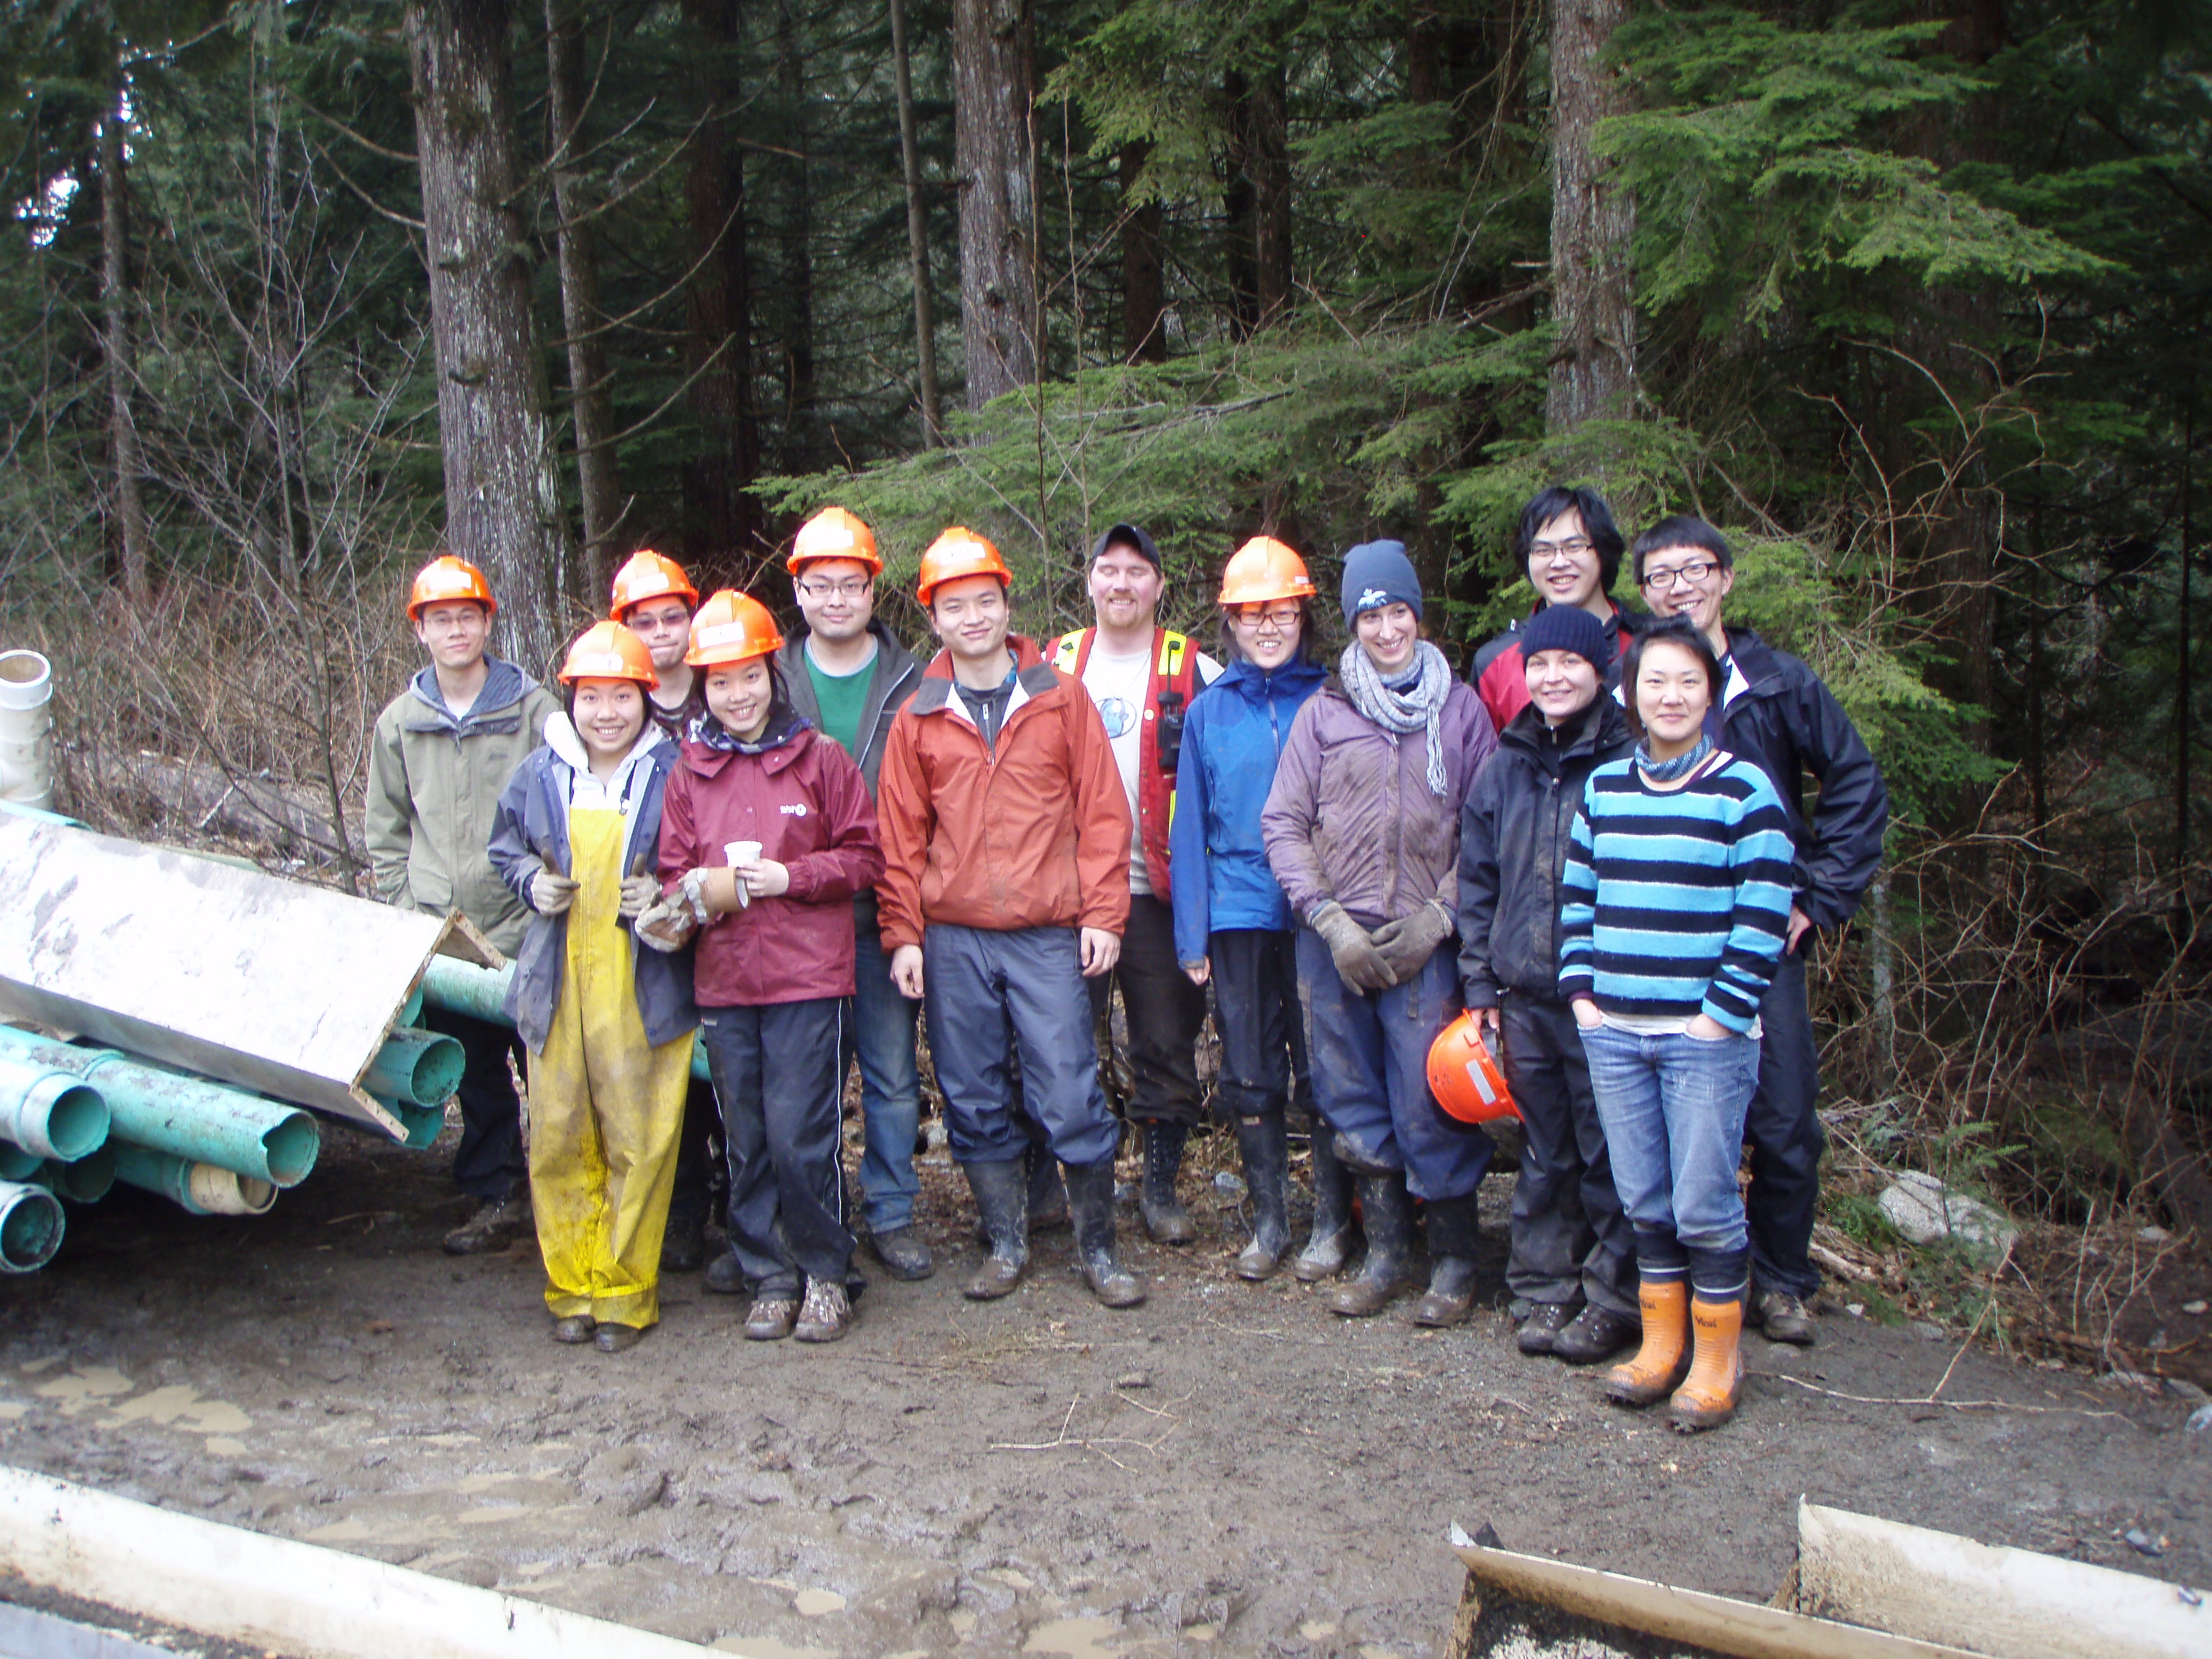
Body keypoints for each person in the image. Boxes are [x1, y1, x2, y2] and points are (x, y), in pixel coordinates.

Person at [1634, 516, 1889, 1347]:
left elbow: (1853, 783)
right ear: (1641, 594)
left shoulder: (1776, 684)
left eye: (1693, 570)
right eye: (1659, 576)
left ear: (1726, 578)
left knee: (1782, 1118)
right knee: (1664, 1121)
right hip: (1658, 942)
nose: (1678, 587)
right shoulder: (1630, 685)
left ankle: (1781, 1279)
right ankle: (1674, 1284)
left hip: (1762, 943)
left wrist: (1814, 896)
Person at [876, 528, 1145, 1309]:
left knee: (1068, 1089)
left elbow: (1103, 813)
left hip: (1045, 932)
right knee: (972, 1091)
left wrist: (1103, 915)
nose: (972, 618)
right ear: (932, 617)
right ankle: (1005, 1241)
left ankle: (1099, 1249)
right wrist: (903, 936)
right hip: (954, 937)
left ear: (1006, 604)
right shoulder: (918, 717)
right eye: (953, 605)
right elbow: (900, 840)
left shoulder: (1060, 698)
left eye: (984, 601)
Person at [1560, 617, 1796, 1431]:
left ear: (1710, 693)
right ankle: (1661, 1348)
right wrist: (1582, 997)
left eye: (1687, 682)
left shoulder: (1743, 790)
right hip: (1615, 1031)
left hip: (1705, 1039)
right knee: (1645, 1199)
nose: (1670, 696)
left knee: (1703, 1202)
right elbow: (1578, 898)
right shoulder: (1607, 788)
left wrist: (1719, 1018)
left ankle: (1718, 1359)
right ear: (1632, 693)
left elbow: (1764, 911)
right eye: (1655, 681)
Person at [1262, 540, 1498, 1323]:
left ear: (1418, 614)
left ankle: (1455, 1264)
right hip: (1337, 946)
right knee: (1351, 1095)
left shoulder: (1461, 713)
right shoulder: (1323, 714)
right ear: (1352, 621)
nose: (1388, 627)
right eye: (1371, 613)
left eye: (1398, 610)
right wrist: (1327, 920)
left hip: (1424, 945)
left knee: (1430, 1096)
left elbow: (1485, 831)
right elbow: (1285, 824)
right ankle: (1388, 1252)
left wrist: (1441, 917)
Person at [655, 590, 884, 1344]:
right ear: (703, 688)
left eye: (749, 676)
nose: (737, 694)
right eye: (719, 681)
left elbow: (864, 857)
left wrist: (795, 877)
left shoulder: (820, 759)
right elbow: (672, 874)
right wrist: (694, 893)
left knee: (801, 1134)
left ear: (771, 675)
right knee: (747, 1135)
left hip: (806, 979)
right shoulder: (691, 773)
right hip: (725, 981)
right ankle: (768, 1276)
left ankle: (826, 1274)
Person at [487, 621, 696, 1353]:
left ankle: (627, 1293)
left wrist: (666, 894)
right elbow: (503, 845)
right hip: (557, 977)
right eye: (592, 697)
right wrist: (530, 882)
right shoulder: (540, 773)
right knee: (557, 1135)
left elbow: (697, 858)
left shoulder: (676, 771)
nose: (606, 713)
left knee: (641, 1136)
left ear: (646, 699)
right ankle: (572, 1287)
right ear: (572, 698)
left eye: (621, 697)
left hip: (642, 983)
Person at [1455, 606, 1640, 1362]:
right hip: (1523, 993)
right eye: (1540, 664)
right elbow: (1477, 882)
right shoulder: (1506, 763)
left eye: (1570, 663)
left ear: (1600, 669)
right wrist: (1479, 987)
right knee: (1544, 1150)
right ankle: (1542, 1286)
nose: (1554, 677)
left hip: (1607, 998)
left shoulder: (1628, 759)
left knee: (1609, 1154)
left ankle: (1612, 1298)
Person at [367, 554, 561, 1256]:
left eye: (467, 617)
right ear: (420, 629)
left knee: (550, 1066)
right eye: (440, 619)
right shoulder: (400, 724)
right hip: (444, 934)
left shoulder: (533, 710)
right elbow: (386, 829)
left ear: (487, 622)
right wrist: (403, 908)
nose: (456, 631)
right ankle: (497, 1194)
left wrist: (553, 894)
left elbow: (567, 803)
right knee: (477, 1074)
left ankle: (564, 1195)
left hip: (526, 925)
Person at [1169, 536, 1336, 1281]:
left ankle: (1332, 1221)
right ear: (1230, 623)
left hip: (1321, 915)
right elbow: (1189, 825)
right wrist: (1191, 933)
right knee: (1251, 1069)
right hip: (1237, 913)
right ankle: (1270, 1222)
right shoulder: (1210, 712)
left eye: (1281, 613)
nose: (1267, 627)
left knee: (1327, 1068)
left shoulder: (1332, 697)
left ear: (1302, 614)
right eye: (1251, 615)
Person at [772, 507, 932, 1282]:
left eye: (852, 584)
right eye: (820, 585)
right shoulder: (768, 677)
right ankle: (815, 1212)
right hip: (795, 917)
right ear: (797, 592)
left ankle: (893, 1211)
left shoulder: (915, 680)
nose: (837, 599)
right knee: (809, 1082)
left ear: (875, 589)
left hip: (884, 910)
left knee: (894, 1073)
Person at [1051, 523, 1219, 1246]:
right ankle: (1073, 1190)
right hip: (1069, 893)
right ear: (1088, 582)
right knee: (1061, 1040)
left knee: (1165, 1041)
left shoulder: (1193, 667)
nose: (1121, 584)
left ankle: (1158, 1189)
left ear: (1158, 585)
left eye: (1136, 572)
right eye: (1107, 571)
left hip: (1159, 892)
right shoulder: (1051, 662)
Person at [608, 548, 719, 1275]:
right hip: (646, 925)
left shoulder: (728, 689)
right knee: (665, 1064)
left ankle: (742, 1200)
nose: (659, 633)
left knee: (729, 1070)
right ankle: (682, 1204)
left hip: (729, 910)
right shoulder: (614, 706)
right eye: (642, 622)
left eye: (671, 617)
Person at [1468, 486, 1645, 736]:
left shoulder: (1648, 646)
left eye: (1574, 546)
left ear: (1603, 552)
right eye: (1543, 550)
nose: (1559, 562)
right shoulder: (1496, 663)